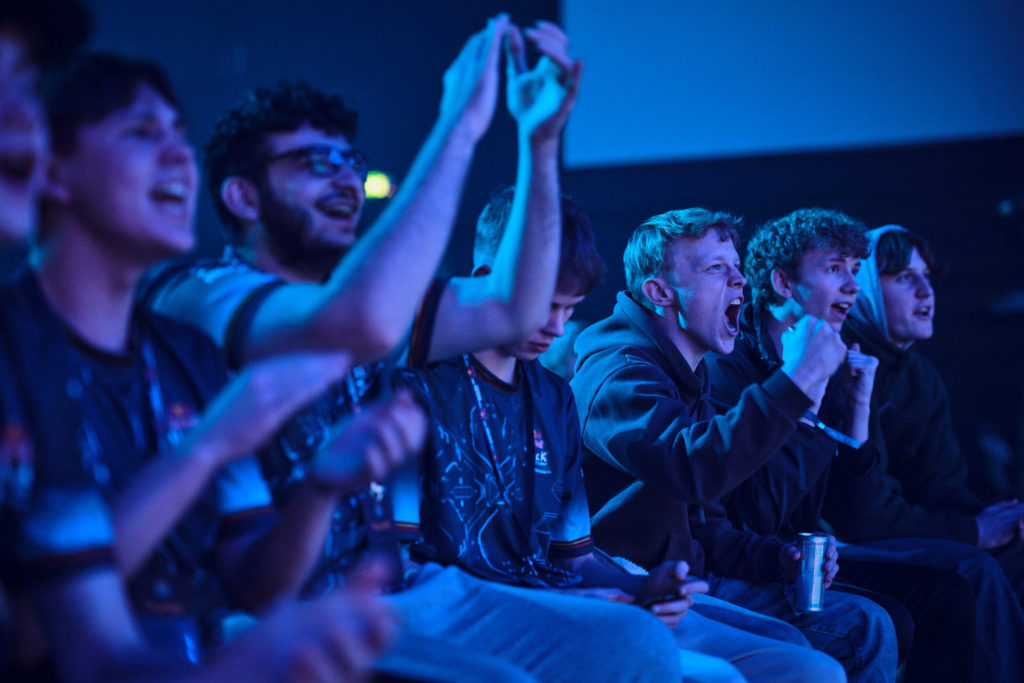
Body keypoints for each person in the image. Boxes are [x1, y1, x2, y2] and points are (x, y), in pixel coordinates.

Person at [1, 49, 414, 680]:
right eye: (141, 133)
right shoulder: (18, 350)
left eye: (178, 135)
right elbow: (30, 637)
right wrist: (206, 447)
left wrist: (321, 486)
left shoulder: (184, 353)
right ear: (51, 168)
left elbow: (258, 582)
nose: (178, 157)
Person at [396, 191, 850, 683]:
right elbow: (691, 468)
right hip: (470, 606)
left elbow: (579, 555)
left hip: (578, 585)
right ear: (485, 284)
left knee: (800, 660)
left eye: (568, 306)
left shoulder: (553, 397)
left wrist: (640, 588)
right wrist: (796, 383)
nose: (555, 325)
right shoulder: (418, 387)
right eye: (543, 302)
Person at [571, 207, 898, 682]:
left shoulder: (688, 373)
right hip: (640, 585)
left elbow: (706, 521)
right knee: (810, 654)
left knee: (865, 623)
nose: (740, 281)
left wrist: (776, 559)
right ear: (660, 293)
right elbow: (689, 467)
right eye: (716, 269)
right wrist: (798, 380)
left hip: (694, 576)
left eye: (738, 268)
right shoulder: (618, 372)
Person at [706, 208, 976, 682]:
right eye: (834, 269)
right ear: (784, 284)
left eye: (855, 271)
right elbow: (755, 512)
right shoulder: (728, 366)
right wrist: (804, 398)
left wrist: (857, 408)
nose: (852, 285)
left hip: (802, 559)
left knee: (949, 592)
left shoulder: (829, 354)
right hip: (747, 561)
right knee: (900, 612)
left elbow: (851, 508)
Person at [829, 224, 1024, 682]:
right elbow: (860, 516)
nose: (925, 291)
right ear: (865, 289)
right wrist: (974, 530)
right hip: (842, 545)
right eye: (903, 277)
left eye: (928, 276)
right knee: (971, 566)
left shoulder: (920, 375)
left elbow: (941, 485)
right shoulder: (841, 366)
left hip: (899, 530)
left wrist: (1003, 520)